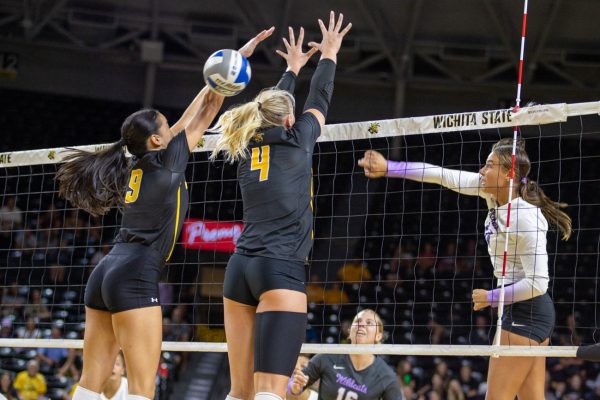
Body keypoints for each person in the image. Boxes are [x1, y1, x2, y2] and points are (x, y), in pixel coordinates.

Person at [56, 28, 274, 400]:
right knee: (142, 390)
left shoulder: (140, 162)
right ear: (158, 140)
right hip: (135, 273)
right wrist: (231, 66)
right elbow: (205, 110)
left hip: (106, 270)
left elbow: (187, 119)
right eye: (163, 123)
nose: (171, 126)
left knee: (90, 385)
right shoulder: (167, 161)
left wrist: (232, 61)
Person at [358, 138, 572, 399]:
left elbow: (539, 283)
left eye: (489, 165)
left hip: (527, 312)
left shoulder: (526, 216)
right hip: (520, 310)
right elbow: (441, 175)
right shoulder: (491, 193)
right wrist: (389, 167)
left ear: (509, 174)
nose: (482, 171)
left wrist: (491, 297)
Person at [212, 12, 351, 400]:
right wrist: (329, 54)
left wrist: (291, 70)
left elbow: (271, 108)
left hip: (240, 268)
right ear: (290, 118)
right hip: (280, 269)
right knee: (270, 393)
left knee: (239, 392)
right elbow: (320, 97)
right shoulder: (298, 139)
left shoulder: (245, 144)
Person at [288, 309, 404, 400]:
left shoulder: (386, 376)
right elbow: (295, 388)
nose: (361, 324)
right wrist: (296, 387)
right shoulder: (327, 357)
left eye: (369, 323)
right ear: (349, 331)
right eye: (358, 321)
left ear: (378, 336)